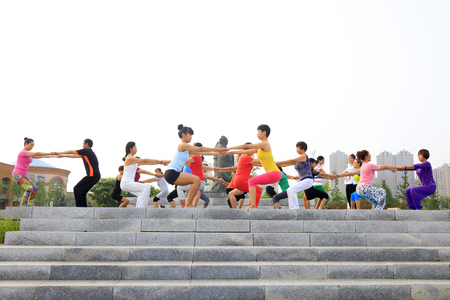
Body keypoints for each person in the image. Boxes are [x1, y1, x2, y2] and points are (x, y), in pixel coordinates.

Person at [164, 124, 226, 208]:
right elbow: (200, 149)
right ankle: (188, 204)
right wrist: (217, 149)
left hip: (173, 174)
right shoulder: (182, 145)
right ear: (183, 135)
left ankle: (187, 204)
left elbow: (200, 152)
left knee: (191, 183)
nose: (191, 137)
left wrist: (216, 153)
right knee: (197, 180)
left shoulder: (187, 150)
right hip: (172, 173)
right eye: (190, 135)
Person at [226, 125, 281, 209]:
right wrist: (230, 152)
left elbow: (247, 146)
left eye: (258, 132)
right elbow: (245, 150)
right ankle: (252, 206)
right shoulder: (259, 149)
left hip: (274, 173)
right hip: (273, 174)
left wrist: (230, 148)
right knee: (256, 187)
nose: (257, 134)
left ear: (264, 132)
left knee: (251, 181)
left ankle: (252, 205)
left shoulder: (265, 144)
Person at [12, 137, 58, 206]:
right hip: (17, 175)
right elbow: (36, 153)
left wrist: (52, 155)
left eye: (33, 146)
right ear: (26, 144)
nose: (32, 147)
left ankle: (30, 204)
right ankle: (23, 205)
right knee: (29, 188)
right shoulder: (23, 152)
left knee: (35, 188)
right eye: (31, 145)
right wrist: (49, 152)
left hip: (23, 176)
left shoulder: (29, 155)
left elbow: (40, 156)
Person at [121, 141, 168, 208]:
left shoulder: (132, 160)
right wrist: (160, 161)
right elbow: (145, 160)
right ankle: (141, 209)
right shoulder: (129, 158)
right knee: (146, 188)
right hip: (126, 183)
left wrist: (159, 163)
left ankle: (138, 208)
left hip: (129, 183)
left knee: (141, 194)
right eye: (135, 147)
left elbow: (146, 166)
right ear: (130, 148)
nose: (136, 149)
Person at [56, 139, 101, 207]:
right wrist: (62, 156)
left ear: (87, 144)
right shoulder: (87, 153)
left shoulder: (86, 151)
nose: (82, 145)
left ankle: (80, 208)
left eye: (83, 144)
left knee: (77, 189)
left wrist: (59, 152)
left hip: (92, 175)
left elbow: (72, 152)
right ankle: (84, 208)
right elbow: (75, 156)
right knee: (82, 191)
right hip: (95, 176)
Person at [275, 141, 314, 209]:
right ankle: (293, 208)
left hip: (308, 180)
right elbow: (288, 164)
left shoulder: (303, 156)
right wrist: (278, 164)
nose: (296, 149)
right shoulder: (299, 159)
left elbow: (292, 161)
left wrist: (279, 162)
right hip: (303, 180)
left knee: (291, 190)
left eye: (297, 148)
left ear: (302, 148)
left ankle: (295, 209)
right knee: (290, 190)